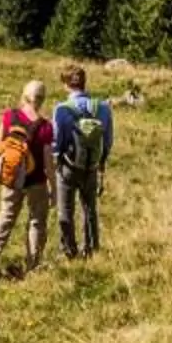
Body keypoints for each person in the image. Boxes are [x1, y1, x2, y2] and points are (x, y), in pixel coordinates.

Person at [0, 79, 54, 274]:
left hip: (11, 177)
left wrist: (0, 167)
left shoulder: (9, 116)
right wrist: (54, 187)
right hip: (36, 181)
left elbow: (0, 143)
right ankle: (33, 264)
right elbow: (48, 162)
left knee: (5, 216)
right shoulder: (45, 127)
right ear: (43, 99)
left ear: (24, 95)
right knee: (37, 221)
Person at [49, 64, 115, 258]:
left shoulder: (62, 109)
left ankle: (69, 249)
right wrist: (101, 161)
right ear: (84, 83)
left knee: (66, 209)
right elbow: (108, 140)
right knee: (90, 208)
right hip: (92, 165)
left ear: (66, 84)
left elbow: (57, 140)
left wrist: (55, 161)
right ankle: (92, 248)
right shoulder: (103, 107)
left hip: (69, 165)